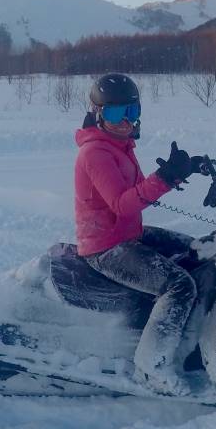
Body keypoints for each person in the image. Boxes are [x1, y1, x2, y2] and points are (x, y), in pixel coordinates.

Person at [74, 73, 202, 395]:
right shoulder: (95, 154)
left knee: (198, 250)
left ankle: (194, 333)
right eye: (116, 114)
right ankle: (152, 366)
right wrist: (165, 179)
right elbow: (123, 204)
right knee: (179, 285)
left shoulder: (120, 146)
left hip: (127, 234)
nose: (125, 122)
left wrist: (184, 169)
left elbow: (139, 190)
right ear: (99, 113)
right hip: (105, 247)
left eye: (131, 112)